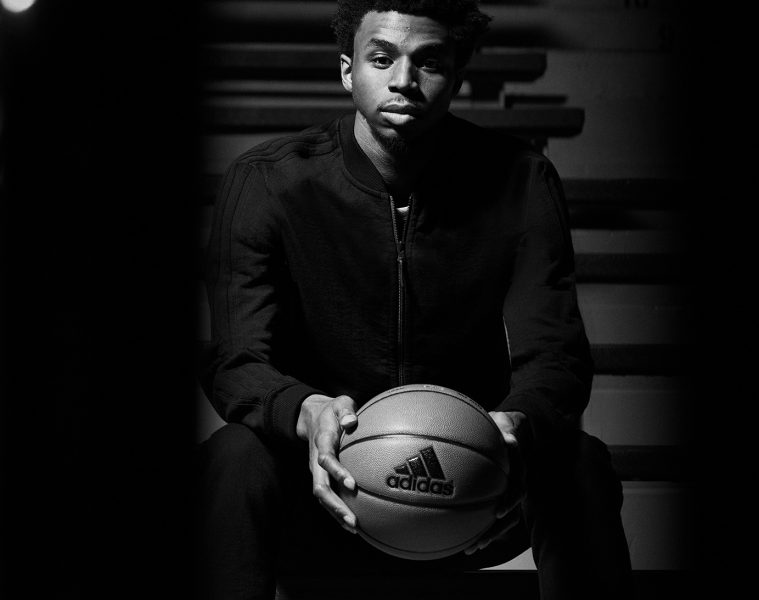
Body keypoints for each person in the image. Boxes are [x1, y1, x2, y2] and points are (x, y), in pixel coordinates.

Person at [197, 1, 633, 598]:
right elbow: (237, 360)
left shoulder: (521, 180)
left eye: (428, 62)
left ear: (457, 75)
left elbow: (557, 358)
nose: (403, 80)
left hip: (471, 488)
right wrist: (306, 411)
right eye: (381, 58)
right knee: (234, 456)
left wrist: (512, 429)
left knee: (578, 462)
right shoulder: (268, 182)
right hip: (324, 487)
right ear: (348, 70)